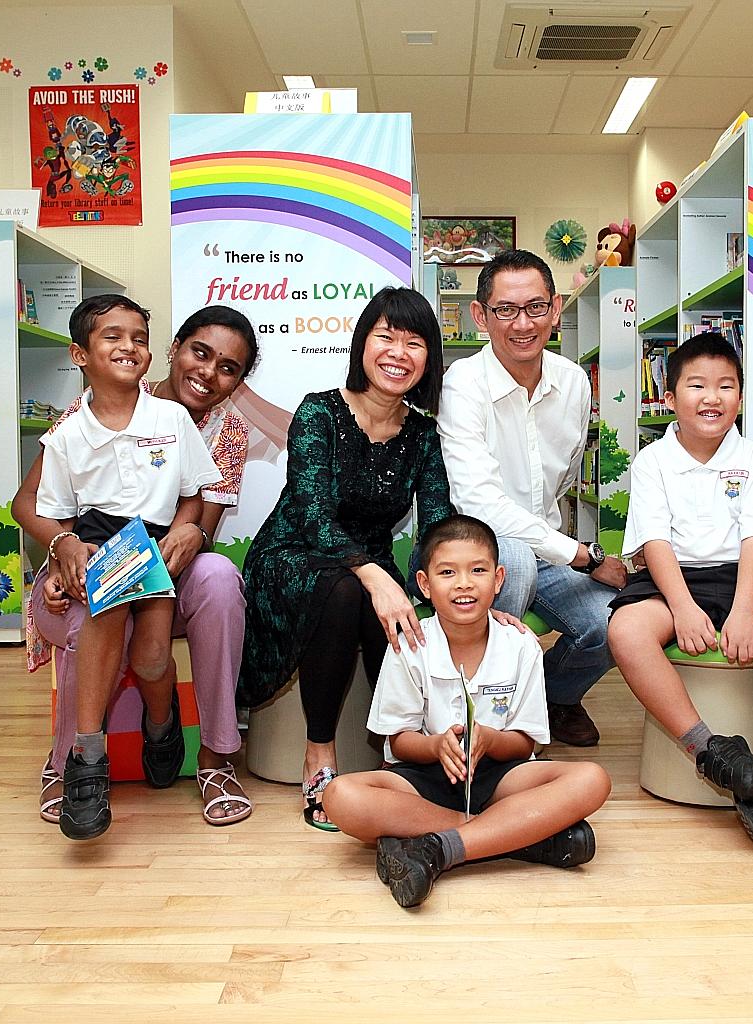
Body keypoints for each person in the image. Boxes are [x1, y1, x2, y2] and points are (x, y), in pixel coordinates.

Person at [17, 304, 260, 829]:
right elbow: (33, 503)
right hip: (87, 556)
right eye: (200, 353)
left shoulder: (215, 428)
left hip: (166, 564)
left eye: (228, 368)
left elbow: (199, 515)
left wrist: (187, 530)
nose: (209, 373)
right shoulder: (87, 413)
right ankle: (75, 763)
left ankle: (214, 757)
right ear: (173, 351)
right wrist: (62, 549)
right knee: (92, 613)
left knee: (216, 583)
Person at [239, 286, 454, 832]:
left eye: (414, 342)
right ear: (363, 342)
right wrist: (375, 575)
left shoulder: (424, 433)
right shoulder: (319, 411)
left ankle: (406, 754)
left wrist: (447, 588)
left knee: (386, 604)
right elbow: (312, 513)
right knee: (344, 590)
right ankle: (320, 755)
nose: (397, 353)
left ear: (429, 358)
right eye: (386, 336)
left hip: (367, 568)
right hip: (291, 556)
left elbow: (434, 521)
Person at [322, 515, 611, 908]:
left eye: (478, 570)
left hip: (499, 780)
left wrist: (490, 740)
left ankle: (440, 848)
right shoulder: (409, 646)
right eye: (447, 572)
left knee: (592, 779)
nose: (463, 583)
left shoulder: (521, 645)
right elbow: (398, 742)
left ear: (498, 579)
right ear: (425, 585)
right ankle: (515, 838)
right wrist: (436, 746)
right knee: (340, 795)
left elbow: (526, 743)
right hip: (423, 781)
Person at [606, 333, 753, 849]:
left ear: (741, 398)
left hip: (742, 576)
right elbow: (655, 540)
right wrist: (681, 607)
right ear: (670, 396)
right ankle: (709, 750)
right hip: (669, 577)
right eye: (697, 385)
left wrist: (745, 611)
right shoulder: (651, 462)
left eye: (726, 386)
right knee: (627, 631)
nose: (712, 397)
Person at [437, 249, 626, 748]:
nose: (522, 324)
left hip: (545, 548)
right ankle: (482, 715)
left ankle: (550, 699)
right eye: (505, 310)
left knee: (616, 622)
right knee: (513, 559)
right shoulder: (463, 383)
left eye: (535, 307)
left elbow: (561, 483)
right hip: (467, 546)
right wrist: (583, 557)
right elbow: (476, 501)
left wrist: (563, 553)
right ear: (480, 315)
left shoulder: (574, 382)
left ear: (555, 308)